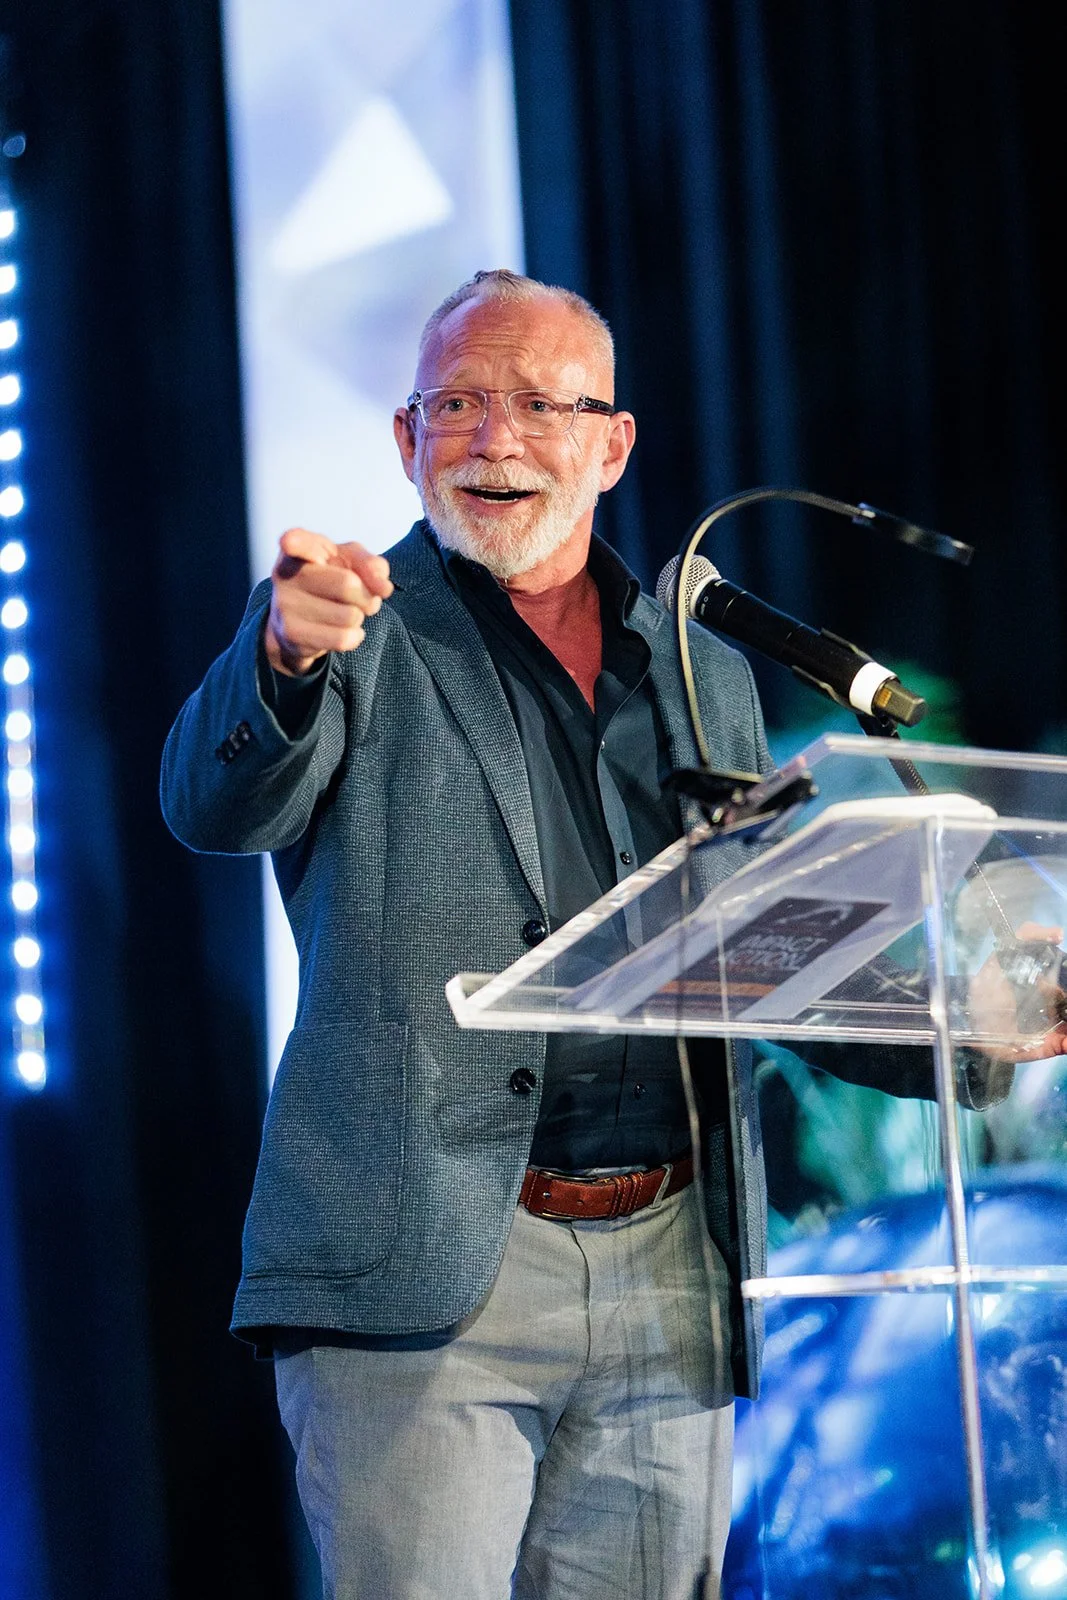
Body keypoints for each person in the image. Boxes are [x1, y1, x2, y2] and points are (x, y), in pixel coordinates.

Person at [160, 269, 1062, 1600]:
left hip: (668, 1272)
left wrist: (970, 1025)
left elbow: (773, 961)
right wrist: (281, 662)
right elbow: (210, 800)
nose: (492, 437)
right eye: (453, 405)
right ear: (405, 443)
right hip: (427, 1277)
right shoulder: (346, 633)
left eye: (535, 402)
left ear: (610, 444)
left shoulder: (711, 678)